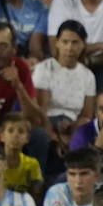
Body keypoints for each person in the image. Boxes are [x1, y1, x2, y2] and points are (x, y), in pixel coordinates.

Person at [35, 20, 96, 156]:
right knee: (40, 134)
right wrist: (55, 136)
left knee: (86, 130)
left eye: (75, 42)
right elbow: (40, 111)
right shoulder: (44, 69)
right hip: (48, 120)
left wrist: (73, 129)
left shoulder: (88, 76)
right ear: (57, 43)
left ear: (83, 45)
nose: (69, 48)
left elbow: (87, 114)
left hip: (73, 123)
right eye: (65, 42)